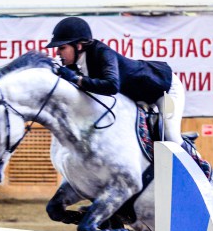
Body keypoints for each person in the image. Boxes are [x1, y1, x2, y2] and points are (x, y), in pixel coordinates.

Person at [45, 17, 185, 144]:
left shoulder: (102, 52)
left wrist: (76, 79)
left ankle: (194, 159)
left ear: (79, 46)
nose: (57, 52)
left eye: (62, 48)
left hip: (163, 87)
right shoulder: (75, 65)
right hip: (139, 98)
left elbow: (112, 86)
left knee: (171, 136)